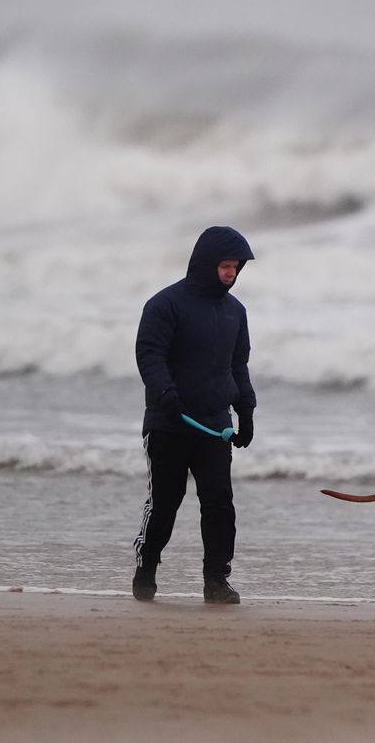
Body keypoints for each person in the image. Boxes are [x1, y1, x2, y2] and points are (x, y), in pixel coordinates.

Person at [131, 225, 258, 603]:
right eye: (225, 265)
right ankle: (147, 567)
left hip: (214, 424)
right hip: (169, 422)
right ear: (206, 264)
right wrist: (165, 393)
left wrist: (246, 409)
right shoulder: (165, 304)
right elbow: (149, 354)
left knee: (219, 503)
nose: (231, 273)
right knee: (165, 503)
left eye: (236, 266)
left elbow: (239, 366)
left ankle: (216, 580)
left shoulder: (236, 312)